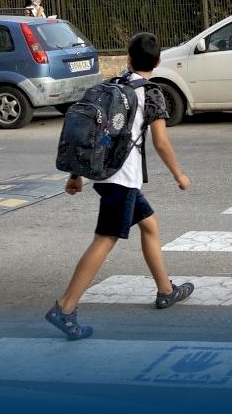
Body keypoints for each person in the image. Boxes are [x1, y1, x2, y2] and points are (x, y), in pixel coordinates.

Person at [45, 32, 194, 340]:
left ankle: (166, 291)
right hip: (122, 179)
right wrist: (178, 174)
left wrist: (76, 174)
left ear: (127, 57)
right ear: (158, 61)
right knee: (105, 239)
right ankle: (65, 307)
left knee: (149, 224)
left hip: (106, 174)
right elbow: (161, 142)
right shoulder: (151, 93)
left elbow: (87, 133)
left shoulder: (114, 84)